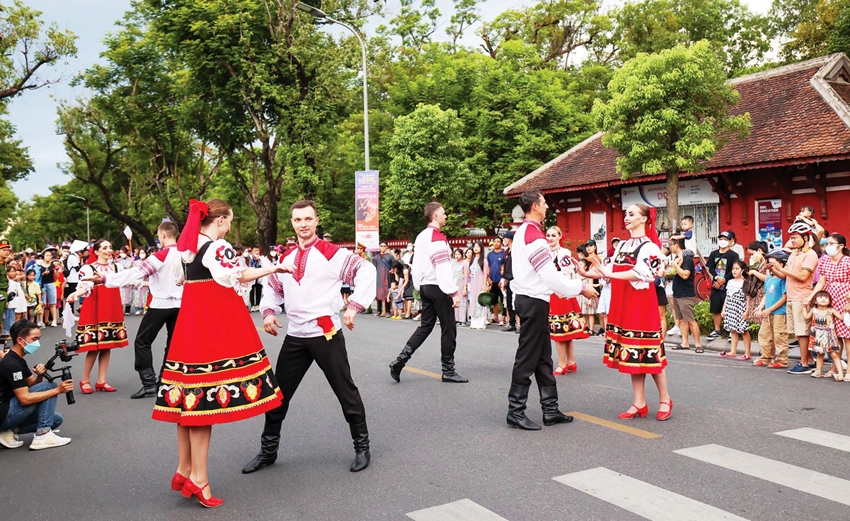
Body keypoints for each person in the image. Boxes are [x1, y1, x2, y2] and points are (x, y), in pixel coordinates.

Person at [153, 199, 285, 508]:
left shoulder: (185, 249)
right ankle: (198, 478)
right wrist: (273, 267)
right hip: (210, 327)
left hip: (190, 325)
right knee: (202, 407)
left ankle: (184, 469)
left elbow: (181, 279)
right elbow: (236, 276)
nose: (228, 227)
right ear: (221, 221)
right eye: (228, 221)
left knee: (189, 401)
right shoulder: (216, 248)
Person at [244, 199, 376, 475]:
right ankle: (268, 451)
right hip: (296, 336)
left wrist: (354, 305)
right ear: (292, 223)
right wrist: (268, 311)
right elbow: (273, 287)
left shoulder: (331, 253)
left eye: (307, 219)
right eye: (297, 220)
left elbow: (366, 270)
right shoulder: (287, 258)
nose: (303, 224)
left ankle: (362, 447)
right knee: (277, 396)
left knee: (345, 392)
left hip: (326, 333)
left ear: (316, 221)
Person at [507, 190, 597, 431]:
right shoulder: (534, 235)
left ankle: (550, 409)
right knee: (527, 357)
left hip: (531, 298)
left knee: (543, 357)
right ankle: (515, 411)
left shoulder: (524, 232)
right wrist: (580, 288)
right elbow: (547, 274)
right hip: (533, 299)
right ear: (535, 206)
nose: (547, 206)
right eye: (545, 203)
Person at [579, 204, 672, 421]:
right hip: (624, 303)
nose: (626, 218)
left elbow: (641, 274)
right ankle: (639, 402)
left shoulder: (650, 247)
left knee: (650, 352)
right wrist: (587, 273)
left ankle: (665, 399)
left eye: (631, 214)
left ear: (645, 219)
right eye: (626, 214)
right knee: (632, 352)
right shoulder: (622, 245)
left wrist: (608, 273)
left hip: (642, 304)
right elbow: (610, 270)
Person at [89, 221, 184, 399]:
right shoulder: (186, 254)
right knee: (173, 344)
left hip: (160, 304)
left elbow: (134, 273)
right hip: (180, 305)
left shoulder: (160, 256)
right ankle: (166, 381)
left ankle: (149, 384)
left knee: (142, 342)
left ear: (163, 235)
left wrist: (104, 279)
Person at [389, 202, 468, 384]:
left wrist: (419, 286)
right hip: (438, 286)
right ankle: (448, 370)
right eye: (444, 213)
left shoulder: (421, 236)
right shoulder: (437, 237)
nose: (446, 216)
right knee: (449, 328)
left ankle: (400, 361)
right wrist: (453, 292)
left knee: (425, 326)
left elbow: (416, 266)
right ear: (435, 216)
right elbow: (442, 267)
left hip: (425, 286)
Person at [66, 239, 129, 394]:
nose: (109, 250)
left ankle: (101, 380)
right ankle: (85, 379)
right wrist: (75, 294)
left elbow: (128, 280)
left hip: (112, 307)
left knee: (108, 345)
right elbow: (84, 287)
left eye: (110, 247)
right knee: (93, 347)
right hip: (95, 307)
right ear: (96, 251)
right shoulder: (89, 268)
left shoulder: (117, 267)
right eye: (105, 247)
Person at [0, 320, 74, 450]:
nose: (37, 343)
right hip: (3, 413)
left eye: (38, 339)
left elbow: (32, 384)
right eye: (34, 339)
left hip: (7, 410)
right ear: (20, 340)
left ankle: (8, 432)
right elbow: (24, 399)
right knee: (49, 387)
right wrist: (57, 390)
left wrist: (40, 375)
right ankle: (43, 436)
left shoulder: (18, 359)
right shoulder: (12, 364)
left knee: (56, 419)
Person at [772, 222, 819, 375]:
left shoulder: (810, 255)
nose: (792, 241)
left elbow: (804, 276)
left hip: (802, 297)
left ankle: (804, 363)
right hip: (792, 297)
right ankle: (810, 361)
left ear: (806, 238)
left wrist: (782, 269)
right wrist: (774, 270)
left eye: (795, 238)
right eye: (791, 238)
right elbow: (786, 276)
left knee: (802, 332)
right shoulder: (794, 254)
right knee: (798, 332)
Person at [546, 226, 589, 376]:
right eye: (548, 235)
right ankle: (570, 361)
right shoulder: (545, 253)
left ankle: (563, 363)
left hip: (562, 294)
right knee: (563, 329)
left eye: (553, 235)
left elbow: (568, 274)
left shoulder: (564, 253)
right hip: (552, 293)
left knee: (561, 330)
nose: (550, 238)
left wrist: (564, 290)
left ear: (559, 236)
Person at [805, 233, 850, 375]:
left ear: (841, 246)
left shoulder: (848, 261)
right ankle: (835, 367)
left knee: (847, 336)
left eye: (831, 243)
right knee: (834, 335)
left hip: (845, 298)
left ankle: (849, 369)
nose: (828, 246)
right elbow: (821, 281)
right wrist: (811, 296)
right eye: (827, 244)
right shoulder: (824, 261)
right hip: (830, 298)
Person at [753, 250, 790, 368]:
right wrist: (760, 307)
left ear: (781, 264)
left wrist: (770, 309)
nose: (769, 267)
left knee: (779, 336)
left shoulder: (783, 279)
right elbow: (766, 294)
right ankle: (766, 357)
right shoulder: (769, 279)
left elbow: (784, 297)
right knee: (764, 335)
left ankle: (782, 360)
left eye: (772, 264)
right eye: (768, 264)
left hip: (779, 312)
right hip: (767, 313)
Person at [668, 238, 702, 352]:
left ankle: (698, 344)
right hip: (677, 293)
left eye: (671, 245)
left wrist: (675, 265)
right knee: (681, 320)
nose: (670, 247)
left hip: (686, 294)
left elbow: (685, 275)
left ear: (677, 245)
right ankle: (685, 343)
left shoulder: (687, 259)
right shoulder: (678, 258)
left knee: (691, 320)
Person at [706, 231, 740, 340]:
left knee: (729, 308)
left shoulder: (734, 255)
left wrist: (724, 279)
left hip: (729, 285)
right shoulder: (713, 254)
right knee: (716, 308)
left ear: (731, 241)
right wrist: (717, 277)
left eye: (726, 239)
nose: (723, 241)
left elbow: (735, 269)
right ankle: (717, 330)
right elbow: (710, 268)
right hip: (716, 285)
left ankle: (731, 331)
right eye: (721, 239)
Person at [804, 291, 844, 380]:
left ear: (830, 301)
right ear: (815, 301)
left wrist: (845, 310)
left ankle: (840, 374)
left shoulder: (831, 310)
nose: (823, 299)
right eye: (821, 297)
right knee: (819, 354)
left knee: (834, 354)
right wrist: (804, 307)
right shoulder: (813, 310)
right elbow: (806, 317)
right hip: (818, 336)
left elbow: (841, 317)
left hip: (830, 336)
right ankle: (818, 371)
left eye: (826, 298)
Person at [720, 261, 752, 360]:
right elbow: (727, 296)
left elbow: (748, 298)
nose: (734, 271)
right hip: (731, 308)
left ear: (742, 270)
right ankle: (733, 351)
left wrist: (747, 310)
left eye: (737, 269)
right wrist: (724, 309)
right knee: (733, 330)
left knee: (744, 330)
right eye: (733, 268)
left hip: (740, 308)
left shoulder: (745, 282)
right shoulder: (730, 282)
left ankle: (747, 353)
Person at [484, 236, 506, 325]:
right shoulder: (490, 255)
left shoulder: (504, 254)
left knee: (503, 300)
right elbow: (488, 267)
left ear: (501, 243)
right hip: (492, 280)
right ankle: (495, 317)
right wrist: (488, 278)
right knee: (494, 300)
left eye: (498, 241)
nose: (496, 243)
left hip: (501, 280)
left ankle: (503, 318)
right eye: (495, 241)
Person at [500, 231, 518, 332]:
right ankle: (511, 323)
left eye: (505, 238)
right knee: (509, 302)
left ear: (509, 239)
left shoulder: (516, 251)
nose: (504, 240)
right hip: (508, 278)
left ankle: (520, 323)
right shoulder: (507, 252)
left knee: (517, 302)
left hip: (516, 279)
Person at [467, 243, 487, 329]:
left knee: (480, 302)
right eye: (474, 247)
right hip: (473, 283)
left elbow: (485, 274)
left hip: (480, 282)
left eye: (478, 247)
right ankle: (474, 322)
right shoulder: (472, 259)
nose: (475, 248)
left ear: (481, 248)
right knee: (473, 302)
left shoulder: (484, 260)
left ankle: (481, 323)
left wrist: (484, 285)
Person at [373, 242, 395, 318]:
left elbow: (394, 266)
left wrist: (392, 270)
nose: (382, 247)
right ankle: (379, 311)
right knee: (379, 293)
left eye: (384, 246)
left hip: (387, 277)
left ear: (386, 247)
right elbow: (374, 268)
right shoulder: (376, 257)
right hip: (379, 277)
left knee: (387, 294)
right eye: (381, 246)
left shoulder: (390, 257)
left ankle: (388, 311)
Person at [450, 248, 469, 325]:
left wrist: (465, 287)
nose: (457, 256)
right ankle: (455, 318)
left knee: (462, 301)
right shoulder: (453, 263)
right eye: (456, 254)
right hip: (454, 284)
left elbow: (466, 276)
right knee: (454, 301)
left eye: (459, 254)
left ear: (462, 255)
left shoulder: (464, 263)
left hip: (461, 283)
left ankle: (462, 319)